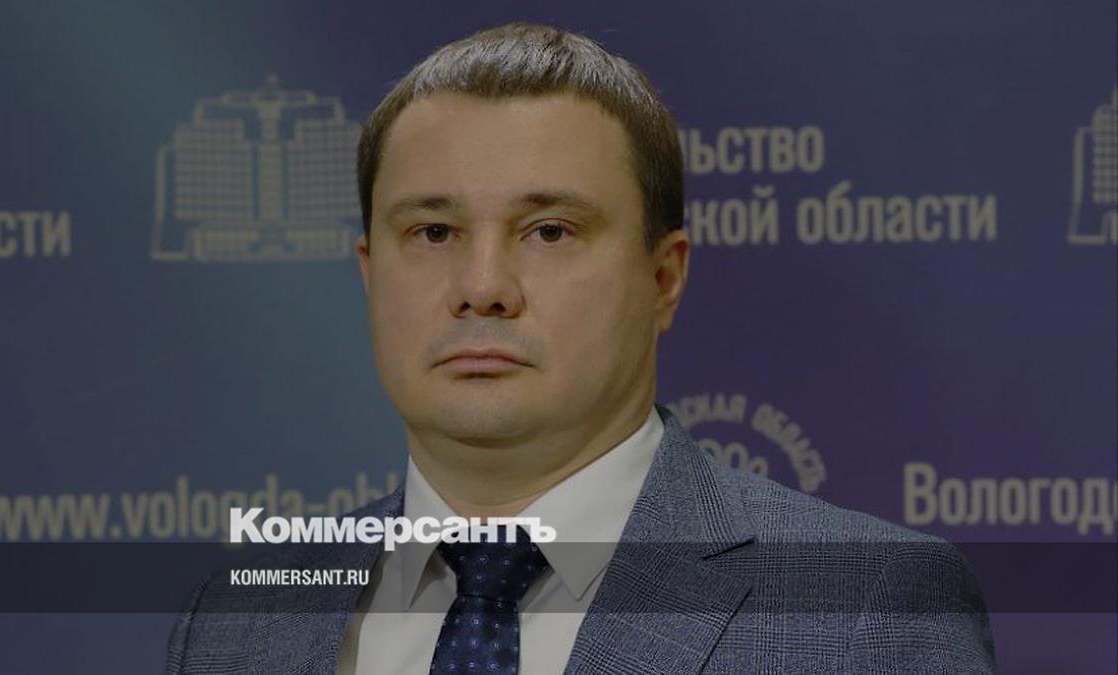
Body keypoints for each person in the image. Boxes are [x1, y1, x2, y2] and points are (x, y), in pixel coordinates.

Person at [166, 22, 996, 674]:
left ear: (664, 277)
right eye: (433, 232)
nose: (482, 286)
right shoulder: (236, 622)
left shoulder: (864, 607)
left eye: (550, 230)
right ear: (370, 273)